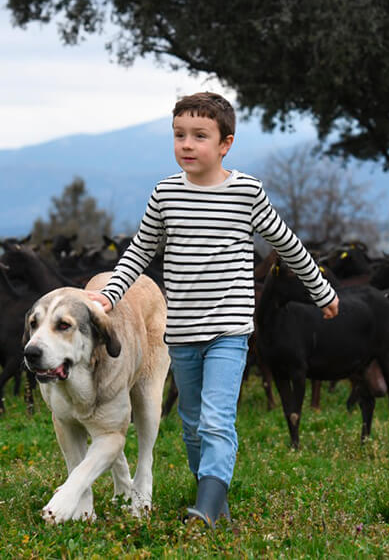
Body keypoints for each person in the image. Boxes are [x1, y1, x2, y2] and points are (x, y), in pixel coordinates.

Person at [88, 91, 339, 528]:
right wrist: (109, 294)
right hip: (181, 332)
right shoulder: (165, 194)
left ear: (225, 144)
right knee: (190, 425)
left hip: (229, 330)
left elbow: (288, 246)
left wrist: (322, 292)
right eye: (179, 135)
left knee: (217, 419)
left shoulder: (246, 191)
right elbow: (139, 253)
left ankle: (203, 509)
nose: (186, 144)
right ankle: (215, 505)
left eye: (199, 136)